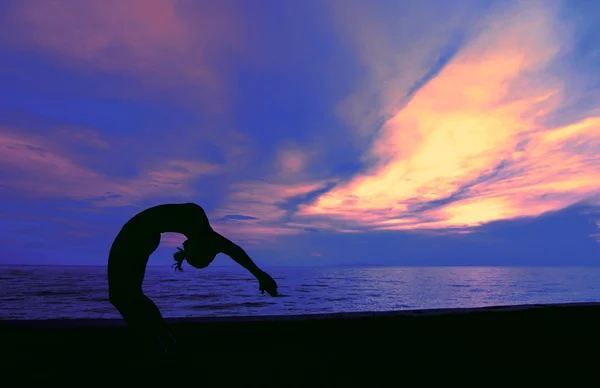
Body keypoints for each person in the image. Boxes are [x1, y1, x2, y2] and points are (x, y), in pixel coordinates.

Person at [107, 203, 278, 357]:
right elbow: (236, 252)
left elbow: (234, 251)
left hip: (138, 234)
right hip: (139, 234)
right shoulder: (205, 233)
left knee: (124, 295)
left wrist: (260, 275)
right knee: (126, 295)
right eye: (211, 255)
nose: (186, 244)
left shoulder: (205, 234)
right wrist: (260, 275)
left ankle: (158, 342)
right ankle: (162, 341)